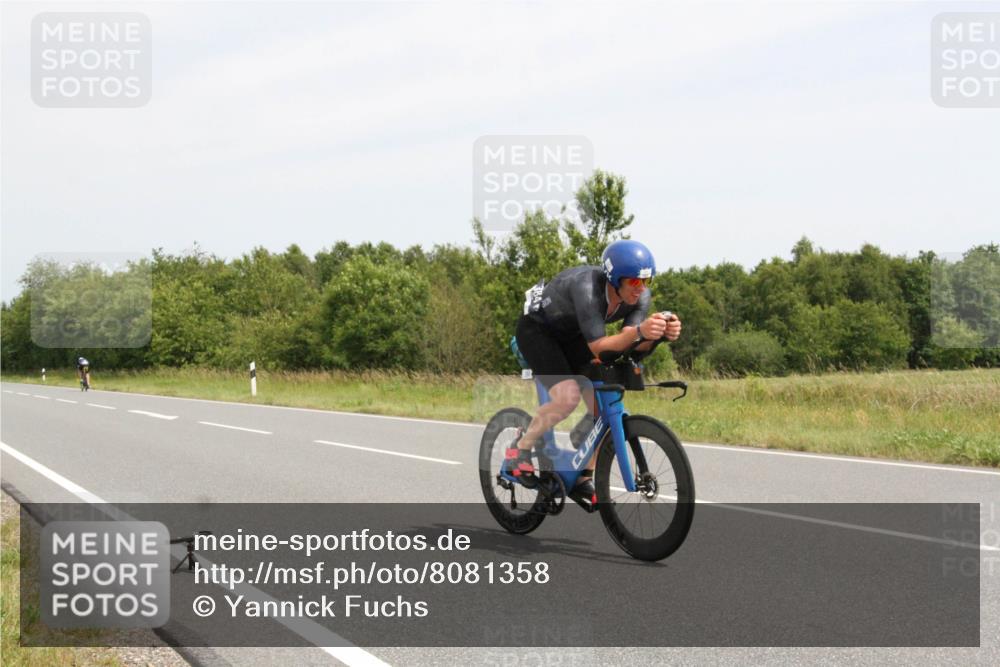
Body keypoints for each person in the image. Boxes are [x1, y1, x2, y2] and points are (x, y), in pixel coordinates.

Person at [506, 240, 682, 501]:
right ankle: (518, 452)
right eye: (635, 282)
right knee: (566, 399)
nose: (641, 289)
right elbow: (601, 347)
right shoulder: (587, 288)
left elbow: (629, 341)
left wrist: (659, 336)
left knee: (604, 407)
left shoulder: (639, 297)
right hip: (538, 330)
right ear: (615, 278)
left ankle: (583, 475)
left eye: (647, 281)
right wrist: (641, 332)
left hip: (574, 333)